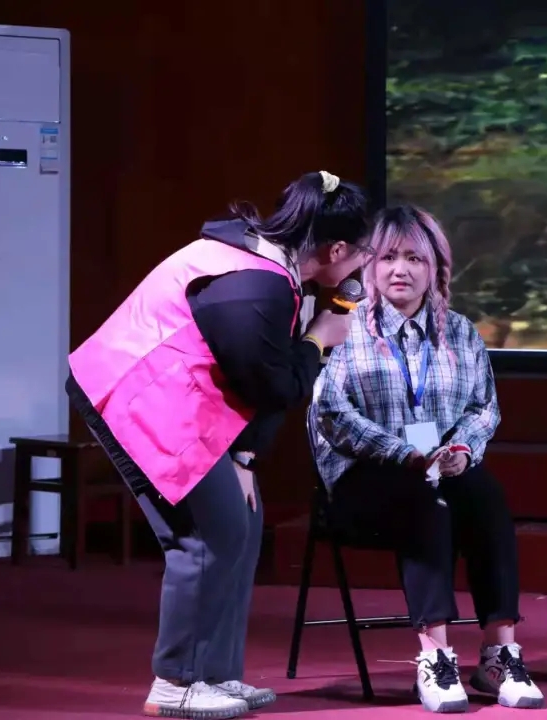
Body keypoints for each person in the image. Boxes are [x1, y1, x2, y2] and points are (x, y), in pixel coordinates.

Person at [65, 171, 372, 719]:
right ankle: (176, 682)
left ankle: (216, 674)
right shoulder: (255, 283)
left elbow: (253, 377)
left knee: (243, 526)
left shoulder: (271, 266)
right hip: (137, 395)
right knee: (208, 537)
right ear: (337, 250)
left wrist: (244, 457)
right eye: (361, 254)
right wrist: (319, 339)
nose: (361, 266)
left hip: (188, 401)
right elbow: (274, 386)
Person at [309, 204, 544, 713]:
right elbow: (331, 415)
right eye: (389, 257)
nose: (401, 269)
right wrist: (404, 454)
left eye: (414, 258)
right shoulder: (345, 328)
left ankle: (499, 654)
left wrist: (461, 449)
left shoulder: (460, 332)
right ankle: (435, 658)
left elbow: (484, 408)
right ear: (369, 264)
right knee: (425, 500)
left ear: (436, 267)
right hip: (364, 483)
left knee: (484, 492)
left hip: (439, 472)